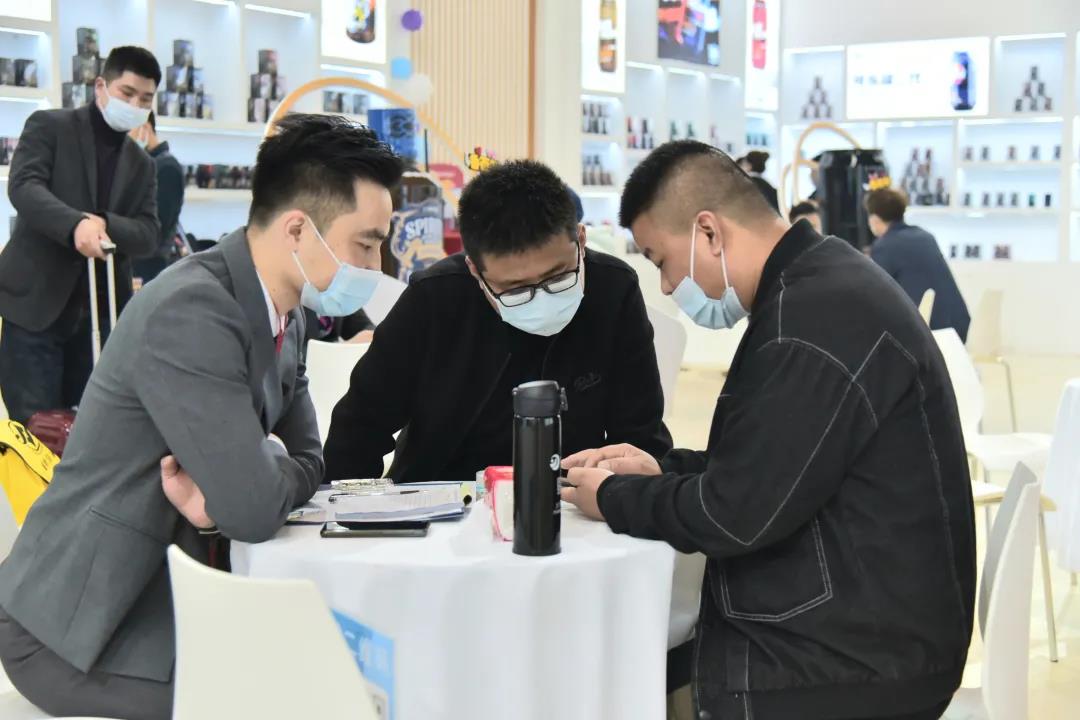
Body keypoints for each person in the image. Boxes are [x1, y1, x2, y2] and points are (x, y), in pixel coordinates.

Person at [0, 114, 404, 720]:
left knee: (348, 671)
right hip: (79, 629)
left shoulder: (287, 313)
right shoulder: (192, 310)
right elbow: (254, 507)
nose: (376, 267)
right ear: (298, 229)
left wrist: (262, 477)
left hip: (174, 595)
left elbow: (310, 460)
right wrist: (259, 481)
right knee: (295, 698)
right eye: (366, 245)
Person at [561, 141, 975, 720]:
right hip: (868, 627)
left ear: (709, 233)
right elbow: (773, 461)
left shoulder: (812, 320)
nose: (667, 286)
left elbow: (733, 514)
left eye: (661, 261)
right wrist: (662, 470)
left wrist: (615, 497)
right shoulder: (817, 285)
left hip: (850, 664)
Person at [324, 159, 672, 484]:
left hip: (570, 500)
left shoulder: (613, 289)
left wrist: (619, 497)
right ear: (475, 270)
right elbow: (361, 426)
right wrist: (350, 512)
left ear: (580, 239)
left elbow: (641, 439)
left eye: (558, 277)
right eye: (515, 289)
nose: (541, 298)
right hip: (442, 498)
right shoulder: (435, 297)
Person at [0, 46, 162, 424]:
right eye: (127, 93)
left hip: (99, 319)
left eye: (145, 99)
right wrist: (75, 224)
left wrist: (103, 222)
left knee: (90, 429)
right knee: (36, 431)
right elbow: (24, 186)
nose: (135, 105)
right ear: (101, 86)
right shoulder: (50, 126)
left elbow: (149, 233)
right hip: (35, 309)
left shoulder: (143, 164)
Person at [868, 187, 971, 341]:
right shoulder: (925, 237)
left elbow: (875, 295)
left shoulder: (884, 246)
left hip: (929, 334)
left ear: (875, 218)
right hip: (957, 327)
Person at [130, 111, 186, 285]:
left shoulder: (166, 168)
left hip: (151, 268)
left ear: (145, 127)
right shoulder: (144, 166)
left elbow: (158, 226)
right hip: (139, 265)